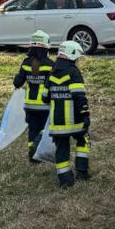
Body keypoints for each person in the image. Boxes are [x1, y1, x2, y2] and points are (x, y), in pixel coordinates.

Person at [44, 40, 90, 187]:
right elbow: (79, 96)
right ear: (72, 55)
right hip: (75, 121)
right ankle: (82, 172)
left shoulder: (51, 73)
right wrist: (85, 113)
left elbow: (44, 97)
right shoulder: (73, 72)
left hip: (57, 123)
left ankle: (65, 180)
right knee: (83, 139)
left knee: (62, 150)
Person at [13, 30, 54, 162]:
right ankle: (39, 150)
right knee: (44, 129)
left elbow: (18, 83)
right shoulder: (50, 64)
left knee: (32, 129)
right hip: (45, 105)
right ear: (46, 47)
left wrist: (18, 77)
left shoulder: (26, 63)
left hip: (29, 105)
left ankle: (33, 156)